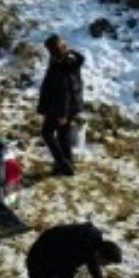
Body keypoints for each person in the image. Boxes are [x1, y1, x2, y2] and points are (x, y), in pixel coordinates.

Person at [37, 34, 86, 176]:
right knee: (62, 136)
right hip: (69, 106)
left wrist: (62, 114)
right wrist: (68, 50)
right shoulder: (68, 59)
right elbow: (80, 59)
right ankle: (68, 166)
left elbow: (63, 91)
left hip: (61, 107)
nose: (47, 51)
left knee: (47, 133)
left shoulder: (60, 63)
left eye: (49, 48)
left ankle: (63, 164)